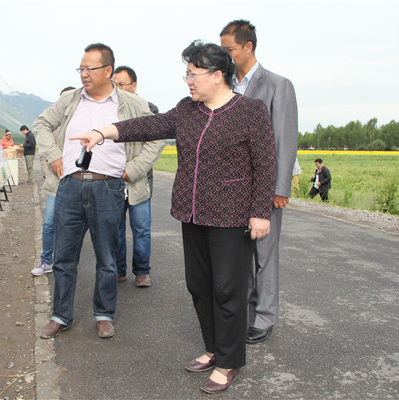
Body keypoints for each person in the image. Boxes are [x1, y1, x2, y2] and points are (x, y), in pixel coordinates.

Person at [70, 41, 276, 394]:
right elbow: (148, 126)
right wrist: (103, 133)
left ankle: (229, 361)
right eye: (187, 75)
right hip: (192, 213)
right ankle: (213, 348)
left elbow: (265, 164)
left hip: (231, 216)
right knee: (199, 286)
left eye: (193, 74)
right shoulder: (186, 110)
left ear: (217, 75)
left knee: (227, 289)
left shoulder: (250, 111)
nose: (188, 81)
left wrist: (260, 213)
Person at [34, 43, 152, 339]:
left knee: (107, 258)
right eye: (81, 68)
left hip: (108, 188)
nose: (84, 74)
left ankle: (104, 314)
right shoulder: (71, 99)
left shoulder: (130, 103)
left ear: (108, 70)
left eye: (90, 68)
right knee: (64, 257)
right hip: (70, 186)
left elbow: (156, 134)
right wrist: (53, 156)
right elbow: (42, 123)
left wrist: (135, 168)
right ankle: (60, 316)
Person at [220, 19, 298, 344]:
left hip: (265, 186)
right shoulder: (224, 84)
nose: (225, 55)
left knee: (264, 255)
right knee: (240, 257)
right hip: (232, 187)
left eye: (229, 49)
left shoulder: (278, 85)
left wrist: (280, 188)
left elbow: (284, 140)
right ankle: (246, 313)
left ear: (248, 46)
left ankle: (265, 317)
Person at [111, 66, 166, 287]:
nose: (117, 89)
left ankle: (142, 271)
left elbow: (155, 144)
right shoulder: (108, 110)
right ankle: (118, 269)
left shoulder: (148, 110)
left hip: (139, 180)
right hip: (113, 181)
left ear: (134, 86)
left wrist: (133, 170)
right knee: (115, 230)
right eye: (114, 84)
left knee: (141, 229)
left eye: (121, 84)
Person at [31, 86, 76, 277]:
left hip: (79, 181)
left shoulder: (81, 122)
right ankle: (46, 260)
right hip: (57, 182)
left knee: (74, 225)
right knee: (49, 223)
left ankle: (69, 263)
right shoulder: (52, 127)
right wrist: (49, 170)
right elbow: (44, 155)